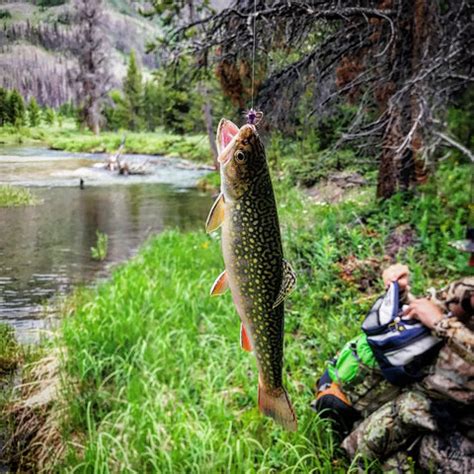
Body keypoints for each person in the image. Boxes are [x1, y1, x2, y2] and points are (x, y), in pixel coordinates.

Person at [312, 263, 474, 473]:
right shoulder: (467, 289)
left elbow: (436, 319)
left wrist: (442, 324)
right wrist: (401, 294)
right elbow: (424, 313)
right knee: (384, 432)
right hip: (428, 397)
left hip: (457, 415)